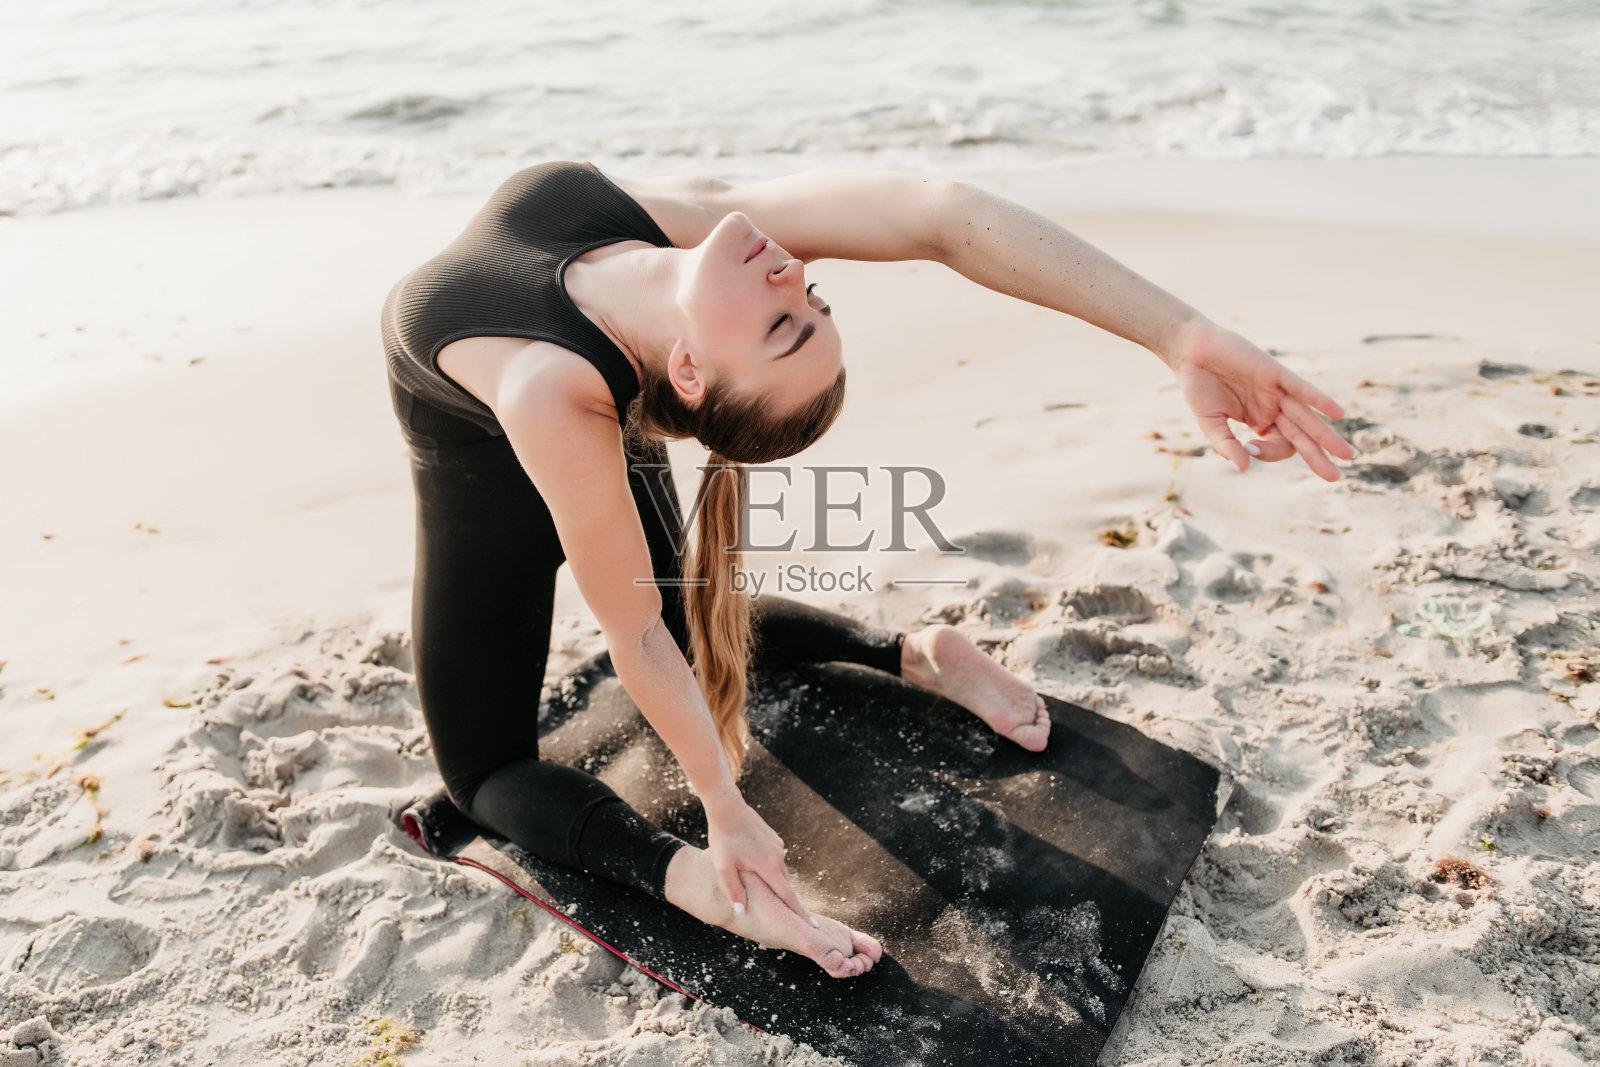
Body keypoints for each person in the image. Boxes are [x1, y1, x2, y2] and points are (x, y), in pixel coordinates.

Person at [381, 161, 1354, 980]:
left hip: (527, 439)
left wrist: (723, 809)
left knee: (487, 770)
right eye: (807, 309)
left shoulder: (561, 381)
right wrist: (1179, 334)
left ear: (687, 372)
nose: (793, 278)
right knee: (679, 629)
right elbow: (933, 215)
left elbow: (628, 629)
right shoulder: (612, 220)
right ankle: (911, 655)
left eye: (784, 323)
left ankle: (714, 887)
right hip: (534, 427)